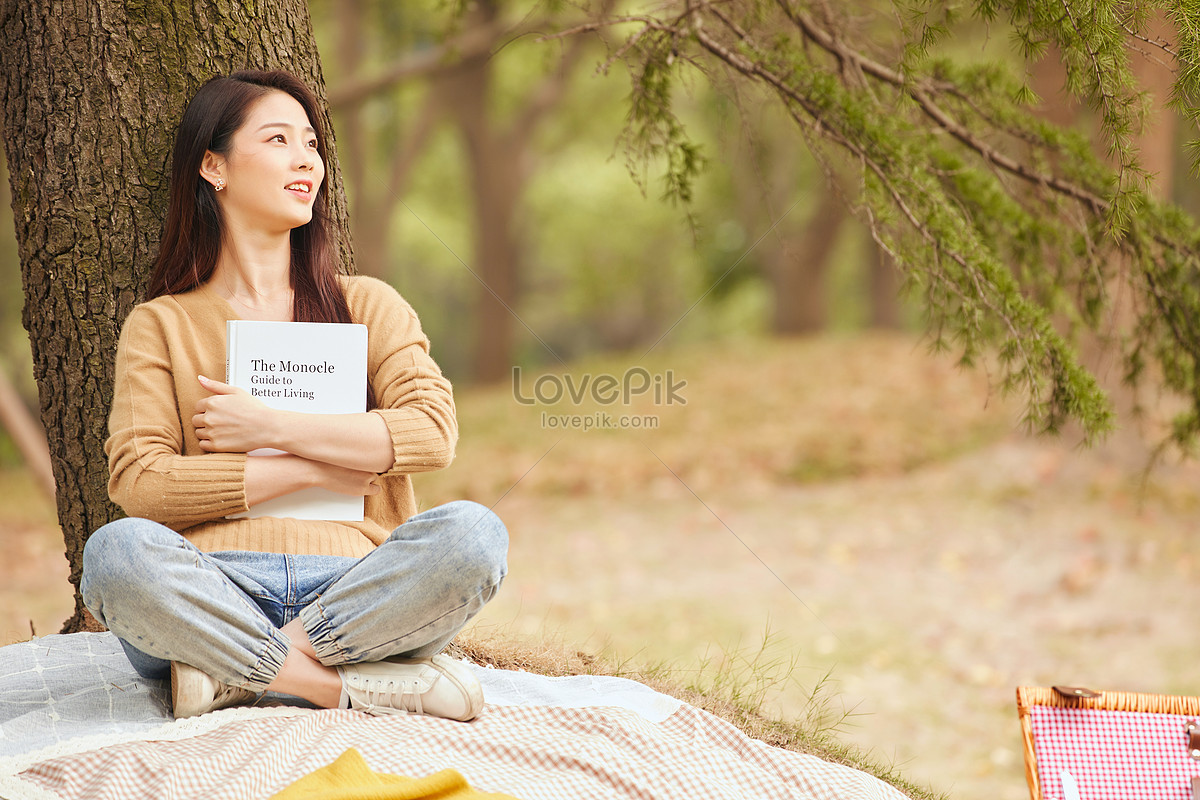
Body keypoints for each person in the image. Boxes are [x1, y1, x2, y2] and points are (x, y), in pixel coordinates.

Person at [79, 70, 508, 722]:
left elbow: (430, 432)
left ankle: (240, 670)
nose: (306, 158)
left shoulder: (367, 304)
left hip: (360, 590)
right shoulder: (160, 324)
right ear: (213, 167)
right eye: (278, 139)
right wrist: (321, 466)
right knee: (115, 556)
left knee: (475, 534)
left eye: (310, 143)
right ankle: (340, 686)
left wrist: (270, 425)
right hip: (214, 588)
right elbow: (140, 482)